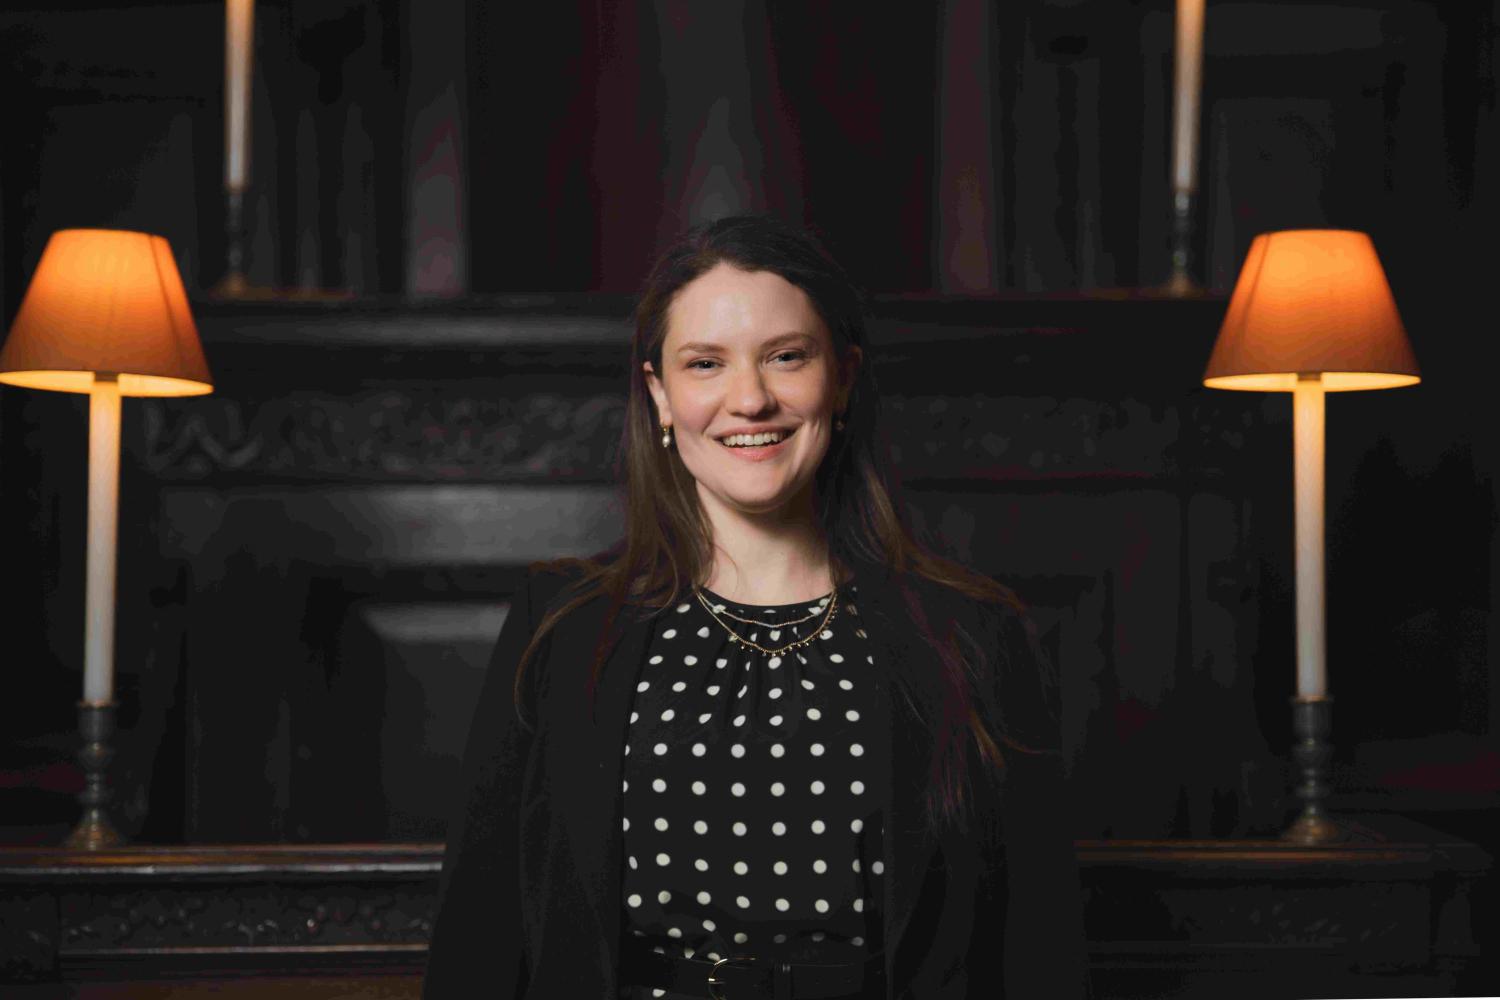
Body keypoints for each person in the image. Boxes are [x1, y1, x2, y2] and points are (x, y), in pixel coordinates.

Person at [423, 215, 1091, 1000]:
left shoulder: (975, 636)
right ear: (660, 395)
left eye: (786, 357)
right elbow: (481, 929)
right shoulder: (560, 627)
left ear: (840, 379)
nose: (750, 399)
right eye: (705, 364)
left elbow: (1039, 950)